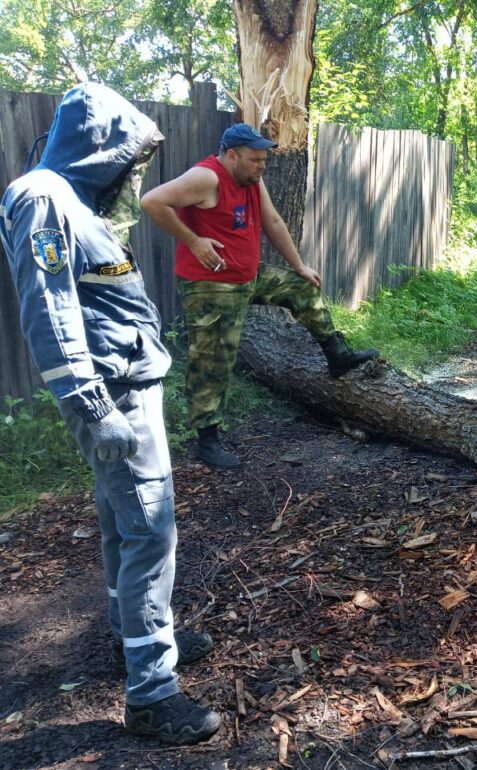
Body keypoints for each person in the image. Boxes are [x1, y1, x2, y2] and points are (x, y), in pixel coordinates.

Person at [0, 83, 221, 744]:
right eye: (128, 159)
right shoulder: (44, 198)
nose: (133, 173)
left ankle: (138, 634)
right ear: (100, 146)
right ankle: (152, 693)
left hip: (128, 389)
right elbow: (50, 311)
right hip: (113, 397)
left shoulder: (73, 203)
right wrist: (95, 410)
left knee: (128, 526)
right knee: (149, 529)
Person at [140, 123, 378, 469]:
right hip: (212, 284)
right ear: (231, 155)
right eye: (255, 160)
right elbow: (152, 201)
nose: (261, 166)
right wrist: (193, 240)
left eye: (264, 159)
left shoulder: (251, 179)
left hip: (247, 275)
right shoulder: (207, 178)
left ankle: (337, 355)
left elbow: (274, 222)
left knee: (300, 289)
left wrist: (299, 266)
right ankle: (207, 440)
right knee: (212, 361)